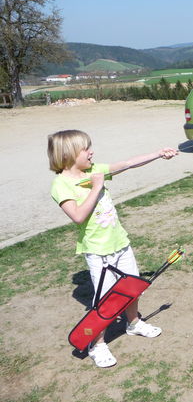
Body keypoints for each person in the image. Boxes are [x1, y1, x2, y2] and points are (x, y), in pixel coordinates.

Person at [47, 129, 178, 368]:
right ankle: (96, 344)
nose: (91, 152)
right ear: (68, 154)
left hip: (121, 242)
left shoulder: (93, 170)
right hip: (98, 251)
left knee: (133, 288)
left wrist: (159, 154)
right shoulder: (61, 184)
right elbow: (77, 216)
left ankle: (133, 323)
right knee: (106, 300)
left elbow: (127, 164)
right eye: (86, 149)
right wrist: (97, 187)